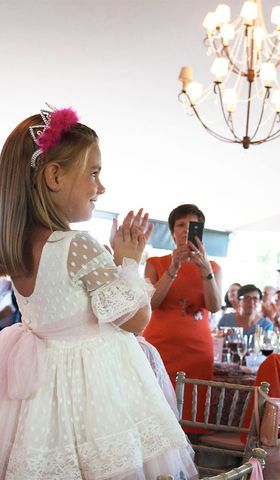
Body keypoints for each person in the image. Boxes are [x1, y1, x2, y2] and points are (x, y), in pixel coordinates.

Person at [0, 107, 197, 479]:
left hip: (44, 399)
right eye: (94, 173)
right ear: (54, 176)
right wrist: (128, 262)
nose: (101, 187)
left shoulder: (22, 247)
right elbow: (136, 320)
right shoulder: (76, 245)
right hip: (90, 395)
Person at [143, 203, 222, 432]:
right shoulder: (155, 263)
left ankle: (192, 465)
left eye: (193, 225)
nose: (186, 229)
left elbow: (214, 306)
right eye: (180, 224)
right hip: (160, 347)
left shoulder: (213, 267)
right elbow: (151, 303)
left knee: (192, 415)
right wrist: (174, 267)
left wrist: (205, 269)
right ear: (172, 230)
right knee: (156, 414)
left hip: (197, 350)